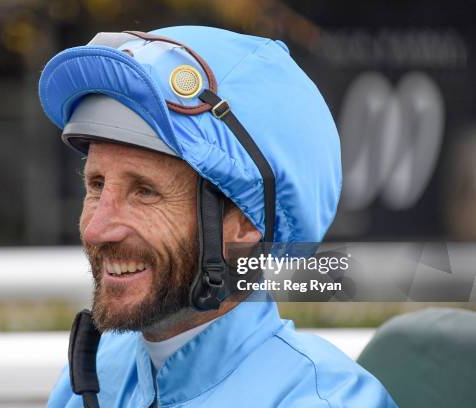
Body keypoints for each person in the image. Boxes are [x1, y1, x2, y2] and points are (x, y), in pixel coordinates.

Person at [39, 26, 396, 407]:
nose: (97, 230)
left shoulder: (323, 400)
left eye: (145, 192)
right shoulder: (96, 372)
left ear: (245, 220)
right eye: (95, 185)